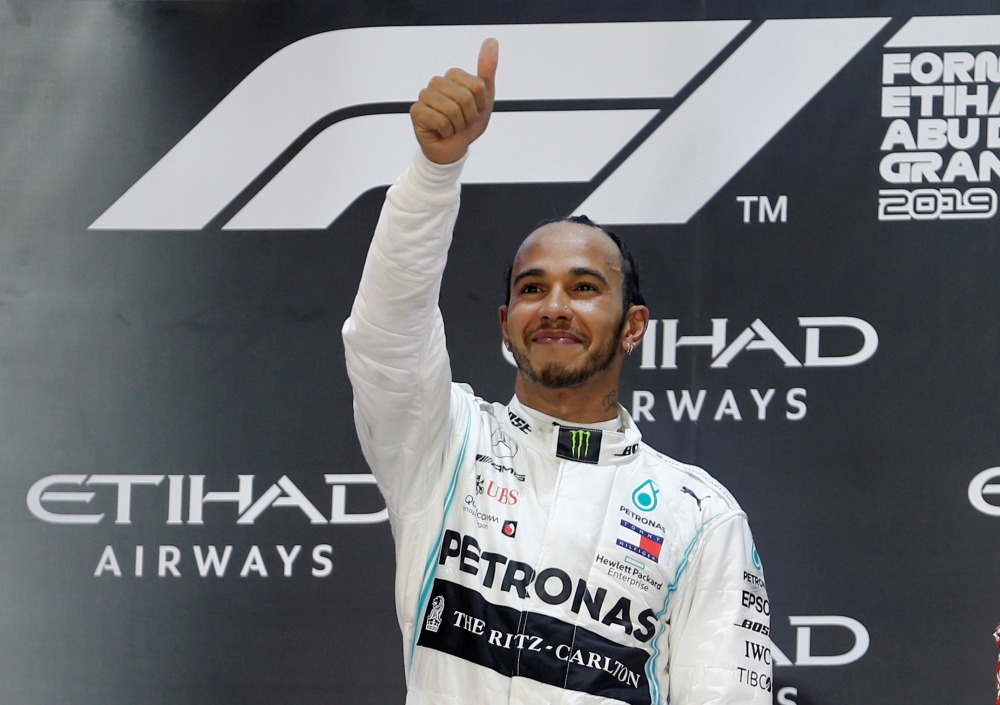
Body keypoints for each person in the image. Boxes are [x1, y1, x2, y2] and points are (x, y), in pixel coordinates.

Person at [343, 38, 771, 705]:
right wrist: (433, 174)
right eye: (533, 288)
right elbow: (386, 335)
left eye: (585, 287)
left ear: (633, 325)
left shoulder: (701, 516)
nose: (554, 307)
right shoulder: (444, 445)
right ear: (506, 321)